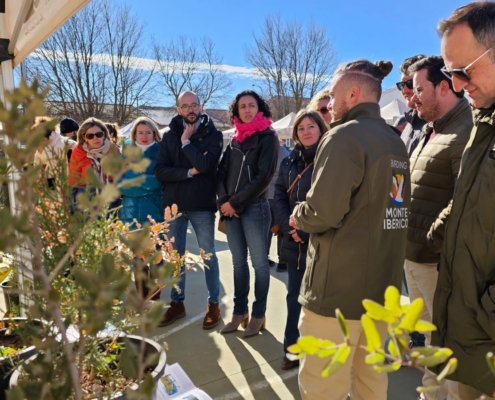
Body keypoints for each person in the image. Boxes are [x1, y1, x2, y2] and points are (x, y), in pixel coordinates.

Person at [290, 59, 411, 400]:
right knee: (371, 384)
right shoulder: (394, 141)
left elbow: (322, 212)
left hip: (337, 291)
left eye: (333, 93)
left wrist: (299, 214)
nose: (329, 102)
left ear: (353, 93)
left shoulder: (344, 137)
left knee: (322, 387)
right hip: (381, 288)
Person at [432, 3, 495, 399]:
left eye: (462, 71)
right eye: (448, 73)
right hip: (469, 334)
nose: (456, 85)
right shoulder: (483, 121)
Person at [406, 55, 472, 400]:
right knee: (430, 341)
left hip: (437, 263)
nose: (412, 97)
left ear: (443, 86)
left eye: (418, 89)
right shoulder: (432, 130)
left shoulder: (466, 130)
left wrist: (432, 242)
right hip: (416, 258)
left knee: (447, 346)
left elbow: (466, 197)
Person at [154, 91, 223, 330]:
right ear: (178, 110)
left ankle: (214, 303)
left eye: (194, 105)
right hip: (174, 207)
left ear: (201, 106)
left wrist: (186, 143)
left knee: (209, 256)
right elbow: (160, 170)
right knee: (175, 258)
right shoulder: (168, 136)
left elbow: (205, 164)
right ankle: (177, 303)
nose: (190, 109)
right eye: (185, 106)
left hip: (202, 206)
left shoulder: (213, 135)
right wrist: (187, 173)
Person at [217, 90, 279, 338]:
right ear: (236, 111)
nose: (247, 110)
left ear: (259, 108)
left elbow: (264, 178)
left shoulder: (268, 137)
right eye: (242, 106)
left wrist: (236, 202)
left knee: (260, 265)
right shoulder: (233, 139)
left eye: (251, 105)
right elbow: (221, 173)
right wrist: (223, 201)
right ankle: (239, 312)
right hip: (230, 210)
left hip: (254, 209)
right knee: (238, 264)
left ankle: (258, 315)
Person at [274, 109, 326, 370]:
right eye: (301, 128)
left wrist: (305, 229)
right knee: (294, 296)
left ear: (320, 129)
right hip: (293, 240)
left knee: (321, 301)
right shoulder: (288, 162)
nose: (306, 132)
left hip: (321, 242)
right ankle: (291, 350)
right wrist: (289, 226)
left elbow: (331, 203)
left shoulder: (331, 160)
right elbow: (280, 196)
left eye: (311, 127)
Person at [120, 117, 163, 301]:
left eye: (148, 132)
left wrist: (135, 182)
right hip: (129, 212)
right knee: (137, 260)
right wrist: (146, 182)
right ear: (134, 134)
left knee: (156, 258)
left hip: (154, 211)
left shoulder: (162, 153)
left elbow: (159, 182)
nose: (144, 136)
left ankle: (154, 300)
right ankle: (141, 299)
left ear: (154, 133)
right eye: (140, 132)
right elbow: (120, 184)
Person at [68, 117, 120, 205]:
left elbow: (120, 175)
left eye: (99, 134)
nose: (95, 138)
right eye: (90, 136)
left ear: (104, 134)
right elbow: (73, 179)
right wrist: (71, 205)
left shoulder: (114, 150)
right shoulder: (78, 152)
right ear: (84, 138)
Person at [396, 55, 428, 156]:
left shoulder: (438, 122)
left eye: (410, 83)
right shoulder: (408, 124)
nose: (404, 90)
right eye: (401, 85)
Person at [266, 139, 290, 271]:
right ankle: (282, 261)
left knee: (267, 229)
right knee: (281, 228)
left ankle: (264, 256)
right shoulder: (284, 153)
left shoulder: (264, 151)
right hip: (280, 195)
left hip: (265, 194)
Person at [33, 116, 71, 191]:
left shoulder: (59, 144)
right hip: (47, 183)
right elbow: (37, 165)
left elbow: (57, 167)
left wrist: (42, 151)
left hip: (58, 184)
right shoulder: (42, 145)